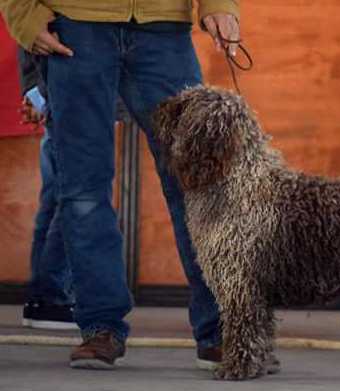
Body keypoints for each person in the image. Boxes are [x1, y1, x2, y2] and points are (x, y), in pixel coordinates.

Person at [0, 0, 240, 370]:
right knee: (82, 190)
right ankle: (101, 328)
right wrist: (24, 15)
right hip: (76, 26)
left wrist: (219, 3)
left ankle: (223, 331)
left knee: (198, 184)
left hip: (165, 31)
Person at [18, 49, 76, 330]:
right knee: (75, 198)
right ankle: (52, 297)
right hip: (75, 95)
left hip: (52, 89)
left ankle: (41, 299)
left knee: (55, 200)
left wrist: (35, 91)